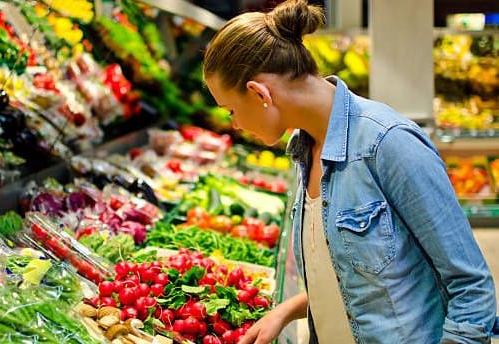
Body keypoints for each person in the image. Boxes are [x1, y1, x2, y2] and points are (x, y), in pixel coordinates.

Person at [202, 0, 499, 343]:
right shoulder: (305, 148)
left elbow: (471, 287)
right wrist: (285, 310)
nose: (234, 124)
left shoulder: (388, 144)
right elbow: (353, 273)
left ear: (259, 93)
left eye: (230, 111)